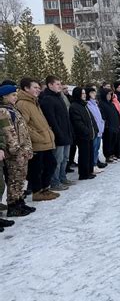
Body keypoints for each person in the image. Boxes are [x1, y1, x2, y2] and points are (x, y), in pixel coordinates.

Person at [16, 78, 59, 202]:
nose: (38, 90)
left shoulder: (34, 101)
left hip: (44, 141)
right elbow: (24, 125)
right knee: (37, 168)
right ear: (26, 89)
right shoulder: (23, 103)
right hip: (37, 143)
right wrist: (38, 136)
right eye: (35, 87)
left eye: (39, 87)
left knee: (50, 164)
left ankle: (45, 189)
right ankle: (37, 192)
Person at [0, 84, 35, 217]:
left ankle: (20, 201)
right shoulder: (3, 111)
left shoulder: (12, 109)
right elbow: (8, 132)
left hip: (22, 150)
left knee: (21, 178)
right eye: (13, 95)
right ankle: (13, 205)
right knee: (14, 179)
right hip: (15, 152)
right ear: (4, 96)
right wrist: (17, 150)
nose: (16, 97)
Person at [40, 76, 74, 192]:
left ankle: (62, 177)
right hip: (58, 136)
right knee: (57, 160)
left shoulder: (59, 97)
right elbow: (52, 120)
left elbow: (65, 117)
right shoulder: (47, 99)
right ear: (50, 85)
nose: (60, 86)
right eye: (57, 84)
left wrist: (69, 132)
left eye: (60, 84)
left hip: (66, 133)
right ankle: (55, 182)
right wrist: (58, 134)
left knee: (65, 158)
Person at [69, 87, 98, 180]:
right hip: (82, 135)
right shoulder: (74, 106)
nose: (85, 95)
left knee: (89, 153)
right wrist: (87, 131)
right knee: (84, 155)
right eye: (82, 93)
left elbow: (90, 119)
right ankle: (84, 173)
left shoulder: (84, 105)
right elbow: (77, 122)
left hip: (89, 134)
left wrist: (94, 129)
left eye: (85, 93)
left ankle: (89, 171)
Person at [86, 87, 105, 174]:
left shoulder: (95, 104)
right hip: (94, 130)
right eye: (93, 93)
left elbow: (99, 117)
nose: (95, 94)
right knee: (93, 148)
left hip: (99, 129)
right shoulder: (88, 104)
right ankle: (93, 165)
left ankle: (95, 164)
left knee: (97, 148)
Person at [98, 88, 120, 163]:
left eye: (110, 94)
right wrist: (106, 124)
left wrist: (119, 121)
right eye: (108, 94)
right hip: (108, 126)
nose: (109, 96)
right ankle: (108, 155)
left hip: (114, 125)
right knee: (108, 142)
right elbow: (102, 115)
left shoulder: (111, 103)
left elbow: (116, 113)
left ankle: (112, 153)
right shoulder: (101, 103)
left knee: (114, 140)